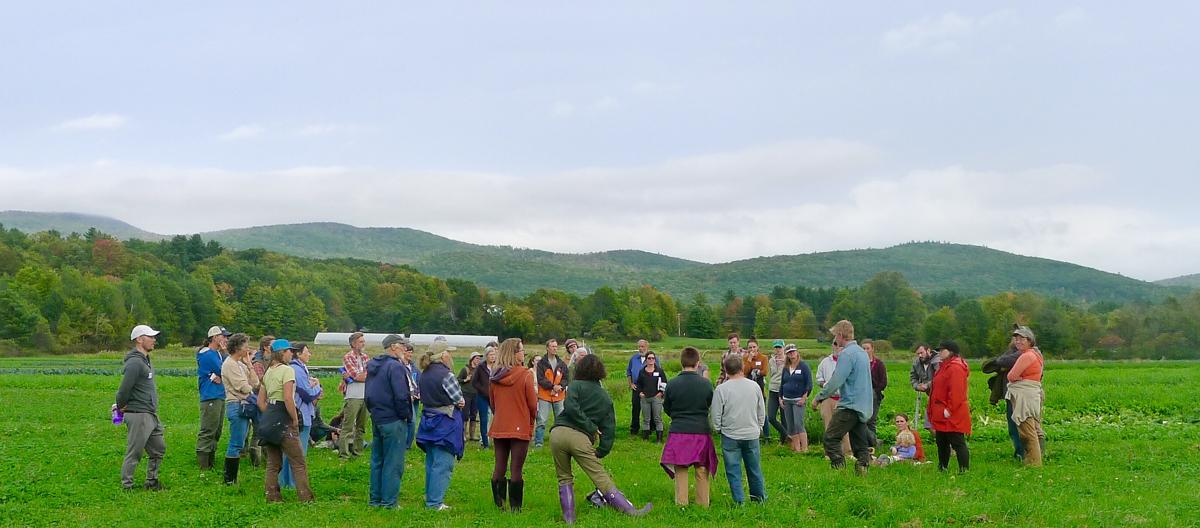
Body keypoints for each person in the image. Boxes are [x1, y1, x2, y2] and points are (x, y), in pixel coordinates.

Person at [551, 354, 652, 523]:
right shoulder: (605, 397)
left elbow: (570, 406)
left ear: (580, 369)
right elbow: (609, 429)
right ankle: (631, 511)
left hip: (557, 433)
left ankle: (569, 519)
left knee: (564, 477)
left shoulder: (575, 386)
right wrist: (600, 448)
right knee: (600, 477)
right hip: (580, 439)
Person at [813, 320, 874, 475]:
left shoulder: (846, 354)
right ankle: (862, 471)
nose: (835, 340)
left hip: (849, 405)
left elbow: (836, 380)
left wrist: (819, 397)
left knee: (830, 438)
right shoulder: (862, 353)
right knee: (860, 444)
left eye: (835, 336)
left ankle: (840, 471)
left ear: (840, 335)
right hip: (863, 405)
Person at [256, 339, 314, 502]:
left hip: (270, 417)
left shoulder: (268, 371)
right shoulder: (287, 371)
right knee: (298, 462)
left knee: (273, 464)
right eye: (289, 351)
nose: (292, 353)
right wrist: (295, 419)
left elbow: (260, 402)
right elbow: (289, 398)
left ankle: (272, 496)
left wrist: (271, 413)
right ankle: (305, 497)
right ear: (282, 353)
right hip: (284, 416)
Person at [661, 346, 716, 508]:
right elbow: (709, 404)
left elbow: (667, 407)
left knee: (681, 468)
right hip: (701, 430)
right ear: (698, 363)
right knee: (701, 468)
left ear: (681, 362)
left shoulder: (672, 384)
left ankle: (682, 503)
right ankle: (702, 503)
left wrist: (677, 417)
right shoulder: (706, 384)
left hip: (679, 430)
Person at [488, 338, 538, 511]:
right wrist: (531, 421)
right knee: (516, 468)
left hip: (500, 425)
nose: (524, 353)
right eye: (522, 350)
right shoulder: (525, 374)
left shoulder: (495, 375)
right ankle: (515, 508)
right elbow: (533, 404)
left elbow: (493, 403)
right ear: (514, 354)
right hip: (520, 427)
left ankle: (499, 504)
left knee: (499, 466)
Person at [365, 334, 414, 508]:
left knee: (378, 460)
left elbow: (368, 394)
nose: (405, 349)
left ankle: (375, 499)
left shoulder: (373, 366)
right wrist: (405, 415)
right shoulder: (395, 367)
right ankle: (389, 502)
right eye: (402, 346)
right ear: (393, 347)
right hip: (393, 419)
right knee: (393, 463)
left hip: (377, 417)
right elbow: (401, 395)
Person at [415, 343, 466, 511]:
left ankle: (430, 496)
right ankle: (435, 503)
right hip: (445, 423)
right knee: (443, 464)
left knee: (431, 461)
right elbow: (459, 399)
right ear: (443, 355)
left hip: (428, 420)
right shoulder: (447, 375)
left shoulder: (424, 373)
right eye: (449, 353)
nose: (450, 356)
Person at [116, 324, 166, 491]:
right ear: (139, 339)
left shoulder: (146, 360)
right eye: (150, 336)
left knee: (158, 448)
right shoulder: (135, 363)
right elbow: (123, 390)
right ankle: (127, 486)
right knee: (134, 452)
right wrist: (121, 407)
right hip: (138, 414)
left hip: (150, 413)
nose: (154, 340)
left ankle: (152, 482)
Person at [711, 355, 766, 504]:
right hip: (751, 433)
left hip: (730, 434)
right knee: (754, 468)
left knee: (733, 470)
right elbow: (761, 410)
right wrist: (759, 426)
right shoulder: (754, 386)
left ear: (726, 370)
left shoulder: (721, 389)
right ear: (742, 368)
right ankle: (759, 498)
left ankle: (739, 501)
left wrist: (718, 428)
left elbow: (716, 413)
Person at [280, 343, 321, 489]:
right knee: (298, 451)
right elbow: (308, 393)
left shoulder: (296, 368)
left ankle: (284, 482)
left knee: (289, 451)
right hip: (301, 414)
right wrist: (318, 386)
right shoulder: (297, 369)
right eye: (307, 352)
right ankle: (292, 483)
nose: (309, 354)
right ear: (298, 354)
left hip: (298, 412)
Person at [221, 332, 260, 485]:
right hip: (236, 405)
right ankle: (229, 479)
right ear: (237, 347)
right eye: (245, 346)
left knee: (240, 440)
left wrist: (249, 364)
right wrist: (250, 390)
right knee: (236, 442)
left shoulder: (240, 364)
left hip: (243, 404)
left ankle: (231, 478)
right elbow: (242, 386)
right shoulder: (230, 364)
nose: (247, 349)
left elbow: (255, 382)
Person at [929, 340, 971, 472]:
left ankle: (964, 469)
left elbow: (957, 391)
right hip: (941, 411)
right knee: (941, 442)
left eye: (943, 350)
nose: (940, 352)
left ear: (951, 351)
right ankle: (942, 467)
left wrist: (949, 409)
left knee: (957, 442)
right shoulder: (944, 366)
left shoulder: (955, 367)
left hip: (951, 412)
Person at [1007, 326, 1044, 467]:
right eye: (1016, 339)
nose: (1018, 341)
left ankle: (1034, 463)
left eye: (1022, 339)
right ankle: (1034, 459)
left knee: (1027, 430)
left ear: (1029, 340)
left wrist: (1019, 378)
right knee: (1033, 428)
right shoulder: (1036, 354)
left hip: (1025, 397)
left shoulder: (1027, 356)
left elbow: (1011, 376)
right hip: (1033, 394)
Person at [196, 325, 230, 471]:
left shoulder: (216, 354)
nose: (226, 339)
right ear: (215, 337)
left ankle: (210, 459)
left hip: (219, 394)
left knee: (217, 429)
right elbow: (225, 369)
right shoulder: (207, 353)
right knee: (208, 428)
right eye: (223, 336)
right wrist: (215, 374)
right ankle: (204, 462)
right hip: (211, 396)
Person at [815, 341, 852, 457]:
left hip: (843, 398)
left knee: (845, 426)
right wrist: (825, 385)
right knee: (829, 427)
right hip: (828, 398)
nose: (837, 347)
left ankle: (847, 452)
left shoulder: (848, 361)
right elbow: (819, 379)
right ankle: (830, 453)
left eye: (840, 345)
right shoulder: (825, 362)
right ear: (832, 346)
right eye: (835, 344)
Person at [338, 332, 370, 459]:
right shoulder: (348, 357)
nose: (363, 344)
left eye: (363, 341)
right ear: (353, 343)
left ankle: (358, 451)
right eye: (361, 341)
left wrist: (359, 376)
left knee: (361, 426)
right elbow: (357, 376)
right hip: (353, 395)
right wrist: (360, 376)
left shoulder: (366, 357)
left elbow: (370, 374)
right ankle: (344, 454)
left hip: (365, 395)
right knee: (348, 425)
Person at [535, 339, 569, 448]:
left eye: (556, 346)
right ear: (547, 348)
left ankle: (560, 441)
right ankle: (539, 442)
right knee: (542, 419)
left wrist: (560, 387)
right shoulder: (541, 363)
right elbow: (540, 379)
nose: (555, 348)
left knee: (561, 419)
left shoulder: (561, 363)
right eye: (552, 346)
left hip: (559, 396)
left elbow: (566, 377)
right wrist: (552, 386)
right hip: (545, 395)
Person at [779, 344, 812, 453]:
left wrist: (804, 397)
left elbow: (809, 384)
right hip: (787, 399)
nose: (792, 354)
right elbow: (782, 383)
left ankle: (805, 448)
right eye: (789, 353)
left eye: (793, 352)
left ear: (797, 352)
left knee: (799, 424)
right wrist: (780, 397)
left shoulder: (803, 366)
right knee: (791, 425)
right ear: (787, 355)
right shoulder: (786, 368)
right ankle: (797, 449)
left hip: (798, 399)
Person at [635, 352, 669, 442]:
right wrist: (640, 393)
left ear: (655, 359)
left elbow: (665, 382)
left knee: (657, 418)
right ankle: (645, 438)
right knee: (646, 419)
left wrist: (661, 392)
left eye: (653, 358)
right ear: (646, 360)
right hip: (645, 398)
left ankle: (659, 439)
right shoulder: (642, 371)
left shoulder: (659, 371)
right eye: (649, 358)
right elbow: (638, 383)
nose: (651, 360)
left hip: (656, 397)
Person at [910, 343, 941, 433]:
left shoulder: (938, 361)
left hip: (942, 396)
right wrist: (917, 386)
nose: (920, 355)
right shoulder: (917, 363)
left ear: (928, 350)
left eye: (921, 353)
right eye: (918, 354)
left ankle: (950, 444)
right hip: (931, 396)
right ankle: (945, 443)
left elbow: (939, 378)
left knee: (942, 423)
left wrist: (927, 385)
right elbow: (913, 377)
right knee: (929, 424)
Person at [472, 343, 498, 448]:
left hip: (495, 396)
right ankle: (485, 443)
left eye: (494, 354)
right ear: (486, 356)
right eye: (491, 355)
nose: (493, 356)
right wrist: (483, 390)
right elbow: (475, 382)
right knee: (484, 419)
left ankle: (498, 441)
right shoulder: (480, 367)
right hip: (482, 396)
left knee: (497, 418)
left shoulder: (497, 366)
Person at [864, 339, 888, 444]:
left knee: (871, 420)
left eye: (867, 348)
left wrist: (875, 390)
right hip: (861, 394)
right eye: (863, 348)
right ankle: (871, 441)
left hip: (874, 394)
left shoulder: (878, 364)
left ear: (872, 349)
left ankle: (873, 442)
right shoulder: (859, 363)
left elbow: (883, 382)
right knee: (861, 420)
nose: (865, 351)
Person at [763, 339, 787, 444]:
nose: (778, 350)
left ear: (783, 348)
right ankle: (787, 434)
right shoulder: (771, 360)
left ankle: (783, 441)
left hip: (784, 391)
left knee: (784, 418)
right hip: (773, 390)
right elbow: (770, 374)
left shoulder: (788, 360)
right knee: (771, 417)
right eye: (776, 347)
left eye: (779, 347)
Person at [626, 340, 650, 436]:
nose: (640, 348)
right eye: (639, 346)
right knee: (635, 408)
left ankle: (649, 429)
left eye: (643, 346)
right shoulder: (633, 358)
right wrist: (630, 384)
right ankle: (634, 429)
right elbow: (628, 372)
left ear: (647, 347)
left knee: (649, 409)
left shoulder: (652, 358)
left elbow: (658, 373)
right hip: (636, 387)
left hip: (648, 388)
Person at [459, 352, 483, 443]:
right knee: (465, 415)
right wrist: (465, 380)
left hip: (476, 394)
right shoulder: (465, 369)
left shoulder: (479, 370)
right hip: (466, 394)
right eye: (477, 358)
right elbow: (458, 380)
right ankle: (463, 435)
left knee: (473, 414)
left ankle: (472, 435)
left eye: (479, 359)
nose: (478, 360)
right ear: (472, 359)